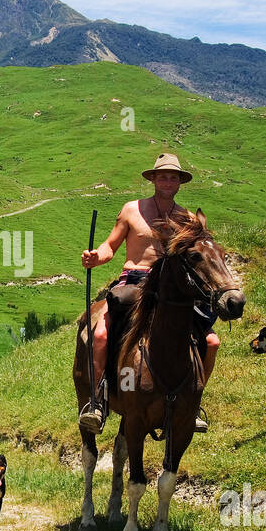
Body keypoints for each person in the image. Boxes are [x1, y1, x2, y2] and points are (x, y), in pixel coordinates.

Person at [78, 153, 219, 433]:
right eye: (163, 176)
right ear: (153, 179)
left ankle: (193, 403)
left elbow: (198, 254)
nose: (168, 181)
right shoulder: (131, 210)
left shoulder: (187, 218)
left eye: (174, 177)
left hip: (172, 288)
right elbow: (110, 246)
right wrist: (96, 257)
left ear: (180, 182)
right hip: (134, 280)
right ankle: (96, 400)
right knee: (101, 334)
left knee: (211, 342)